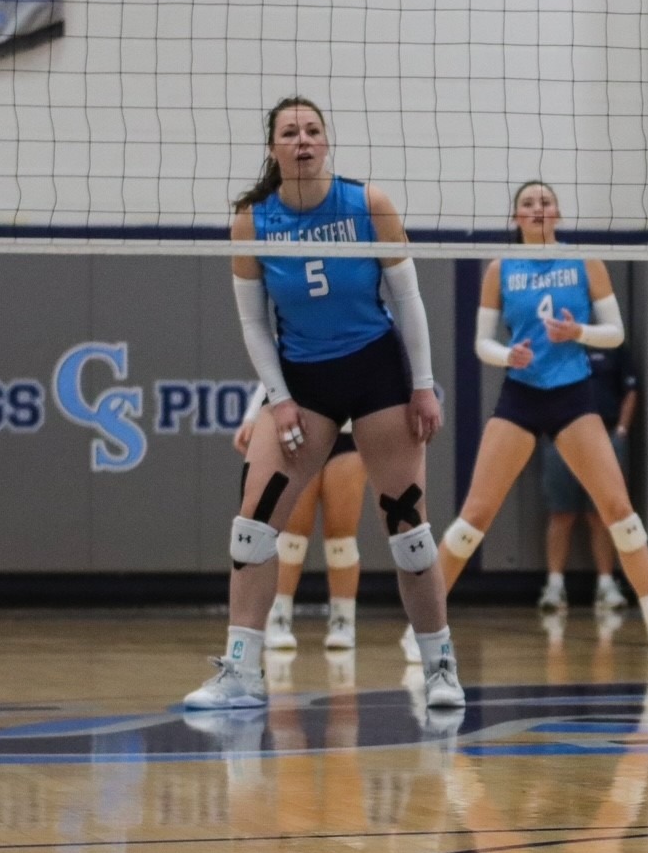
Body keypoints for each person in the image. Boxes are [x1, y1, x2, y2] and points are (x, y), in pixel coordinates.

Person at [188, 95, 462, 710]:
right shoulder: (252, 220)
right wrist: (278, 402)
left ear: (326, 141)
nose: (304, 140)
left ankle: (440, 665)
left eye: (313, 130)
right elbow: (255, 325)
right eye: (291, 132)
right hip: (302, 379)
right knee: (252, 529)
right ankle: (240, 672)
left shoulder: (368, 204)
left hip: (374, 370)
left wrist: (422, 384)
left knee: (408, 531)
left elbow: (408, 299)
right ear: (273, 148)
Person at [423, 181, 648, 665]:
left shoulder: (584, 262)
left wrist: (577, 332)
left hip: (573, 396)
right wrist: (510, 354)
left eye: (544, 201)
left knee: (620, 513)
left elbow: (616, 334)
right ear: (516, 219)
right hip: (521, 397)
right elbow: (482, 343)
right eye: (527, 204)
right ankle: (423, 628)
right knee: (474, 517)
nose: (537, 209)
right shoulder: (500, 268)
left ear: (558, 212)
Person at [236, 385, 367, 651]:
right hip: (302, 427)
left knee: (341, 535)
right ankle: (278, 617)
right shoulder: (298, 342)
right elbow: (274, 366)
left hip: (349, 431)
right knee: (292, 534)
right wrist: (252, 417)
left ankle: (343, 620)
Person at [537, 340, 638, 614]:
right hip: (562, 434)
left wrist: (621, 431)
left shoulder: (613, 346)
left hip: (605, 434)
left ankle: (606, 584)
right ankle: (555, 585)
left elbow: (630, 390)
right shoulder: (554, 348)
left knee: (602, 514)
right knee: (562, 513)